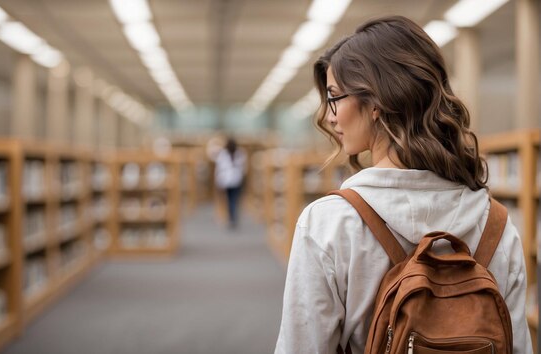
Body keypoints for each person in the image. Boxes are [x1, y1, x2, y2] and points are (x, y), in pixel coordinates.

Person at [275, 16, 532, 353]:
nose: (330, 115)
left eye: (335, 97)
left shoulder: (328, 222)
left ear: (377, 102)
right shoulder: (496, 224)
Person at [214, 137, 247, 229]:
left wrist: (217, 181)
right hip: (234, 180)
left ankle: (232, 218)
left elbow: (219, 169)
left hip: (229, 181)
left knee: (230, 200)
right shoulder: (239, 153)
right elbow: (243, 168)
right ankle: (233, 218)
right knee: (233, 200)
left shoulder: (223, 154)